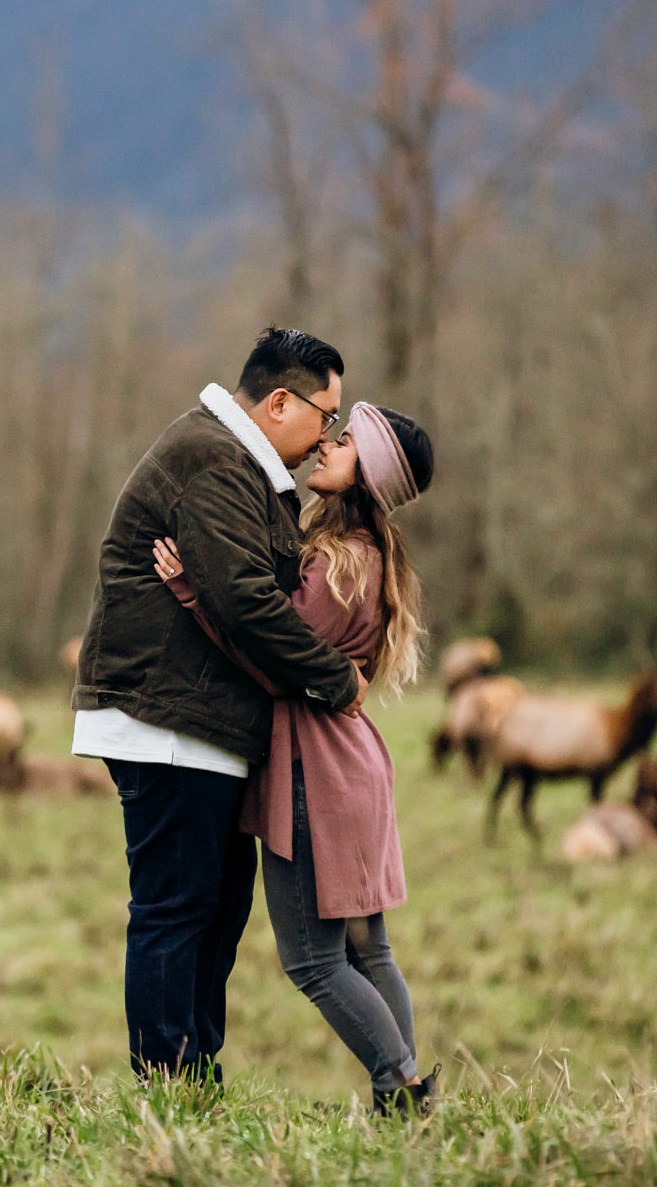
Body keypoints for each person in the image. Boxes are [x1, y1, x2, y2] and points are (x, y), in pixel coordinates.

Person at [70, 327, 368, 1084]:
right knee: (177, 906)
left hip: (203, 725)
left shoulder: (242, 465)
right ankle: (169, 1083)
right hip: (165, 720)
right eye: (323, 416)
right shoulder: (210, 461)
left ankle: (194, 1075)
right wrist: (336, 680)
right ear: (278, 401)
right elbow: (247, 602)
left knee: (217, 905)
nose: (324, 435)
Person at [153, 401, 440, 1116]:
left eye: (343, 443)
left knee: (314, 959)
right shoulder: (367, 557)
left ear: (365, 473)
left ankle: (400, 1086)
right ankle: (402, 1099)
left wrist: (193, 591)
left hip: (317, 767)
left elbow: (273, 652)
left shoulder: (339, 564)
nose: (326, 447)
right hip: (351, 761)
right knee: (370, 950)